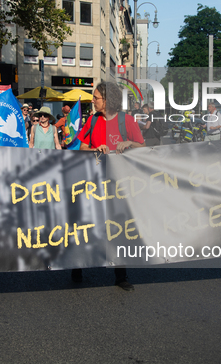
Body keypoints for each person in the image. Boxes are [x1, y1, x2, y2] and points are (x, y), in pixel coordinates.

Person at [75, 81, 145, 291]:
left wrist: (128, 144)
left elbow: (142, 146)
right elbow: (82, 148)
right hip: (93, 181)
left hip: (120, 184)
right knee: (87, 224)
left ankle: (120, 275)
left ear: (108, 100)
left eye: (96, 98)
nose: (93, 101)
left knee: (118, 227)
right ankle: (77, 265)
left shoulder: (127, 121)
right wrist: (96, 149)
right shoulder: (93, 121)